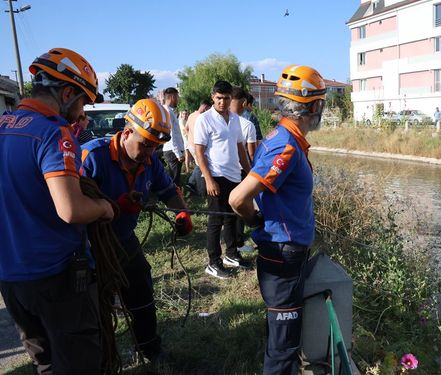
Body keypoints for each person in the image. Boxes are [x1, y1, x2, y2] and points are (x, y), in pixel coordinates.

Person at [0, 47, 114, 374]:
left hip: (11, 279)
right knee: (78, 363)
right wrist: (103, 208)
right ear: (66, 93)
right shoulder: (52, 133)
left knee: (45, 362)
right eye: (82, 102)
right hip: (56, 278)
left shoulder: (4, 126)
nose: (81, 112)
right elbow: (71, 209)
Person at [229, 64, 326, 375]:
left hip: (286, 254)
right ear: (311, 106)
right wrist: (256, 220)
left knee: (282, 333)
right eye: (320, 103)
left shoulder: (285, 138)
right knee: (284, 345)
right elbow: (237, 198)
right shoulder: (284, 145)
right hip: (283, 255)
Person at [81, 98, 192, 363]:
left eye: (155, 147)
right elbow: (70, 204)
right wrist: (112, 207)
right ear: (127, 132)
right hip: (89, 245)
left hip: (123, 239)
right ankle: (102, 358)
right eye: (145, 144)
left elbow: (168, 191)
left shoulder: (150, 162)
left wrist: (182, 211)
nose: (149, 152)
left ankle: (150, 348)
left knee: (140, 283)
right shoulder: (91, 157)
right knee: (97, 305)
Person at [194, 81, 252, 279]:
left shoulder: (235, 119)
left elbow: (240, 149)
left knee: (232, 217)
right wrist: (209, 179)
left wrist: (250, 172)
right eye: (219, 98)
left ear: (230, 99)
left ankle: (231, 254)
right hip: (215, 175)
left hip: (234, 175)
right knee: (215, 220)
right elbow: (199, 152)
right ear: (213, 97)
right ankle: (213, 262)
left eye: (226, 98)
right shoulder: (204, 120)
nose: (222, 102)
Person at [231, 86, 257, 253]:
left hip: (224, 172)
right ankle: (238, 244)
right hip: (241, 170)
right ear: (244, 103)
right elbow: (251, 153)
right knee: (240, 207)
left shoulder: (221, 121)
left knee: (227, 210)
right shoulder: (248, 125)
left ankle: (230, 244)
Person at [185, 100, 212, 195]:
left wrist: (189, 136)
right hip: (197, 145)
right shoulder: (201, 117)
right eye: (208, 109)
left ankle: (191, 183)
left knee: (198, 164)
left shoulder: (192, 115)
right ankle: (201, 191)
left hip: (190, 144)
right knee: (201, 165)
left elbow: (186, 128)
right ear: (205, 107)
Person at [161, 87, 186, 185]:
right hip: (172, 150)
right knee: (174, 180)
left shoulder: (168, 111)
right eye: (177, 97)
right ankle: (175, 198)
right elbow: (171, 134)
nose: (178, 100)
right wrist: (178, 154)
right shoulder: (168, 112)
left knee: (175, 178)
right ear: (172, 97)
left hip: (172, 149)